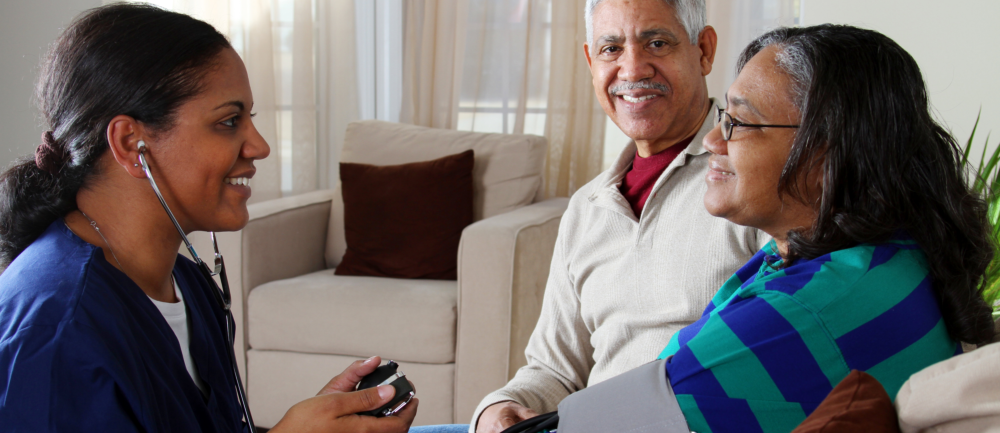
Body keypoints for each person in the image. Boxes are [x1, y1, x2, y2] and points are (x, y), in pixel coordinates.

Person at [0, 4, 416, 432]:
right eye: (229, 122)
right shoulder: (58, 331)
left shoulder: (189, 285)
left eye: (248, 119)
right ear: (131, 144)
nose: (259, 147)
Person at [655, 24, 997, 432]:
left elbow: (620, 416)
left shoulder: (804, 310)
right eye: (724, 115)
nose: (713, 140)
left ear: (825, 155)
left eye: (740, 122)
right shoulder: (891, 253)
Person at [461, 0, 765, 432]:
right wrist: (499, 408)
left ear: (704, 50)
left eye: (656, 43)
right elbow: (555, 369)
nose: (633, 69)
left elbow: (773, 352)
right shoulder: (586, 208)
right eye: (611, 49)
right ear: (590, 60)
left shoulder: (754, 175)